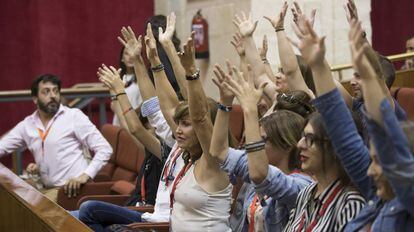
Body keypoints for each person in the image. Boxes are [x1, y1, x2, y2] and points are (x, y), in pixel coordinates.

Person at [209, 63, 313, 232]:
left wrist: (250, 110)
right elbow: (218, 151)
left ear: (286, 145)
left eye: (263, 141)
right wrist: (225, 102)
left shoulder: (302, 185)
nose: (255, 150)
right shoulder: (258, 167)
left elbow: (260, 175)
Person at [0, 74, 112, 202]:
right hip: (45, 188)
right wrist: (39, 167)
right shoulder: (28, 125)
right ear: (35, 98)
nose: (52, 95)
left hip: (71, 191)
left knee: (27, 209)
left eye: (55, 91)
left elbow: (105, 148)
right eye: (46, 92)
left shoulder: (73, 116)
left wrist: (85, 176)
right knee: (15, 199)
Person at [111, 46, 143, 127]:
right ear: (122, 58)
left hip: (137, 122)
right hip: (119, 121)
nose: (131, 56)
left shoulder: (143, 78)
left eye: (133, 53)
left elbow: (145, 105)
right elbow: (114, 103)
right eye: (126, 54)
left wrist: (129, 114)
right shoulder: (118, 78)